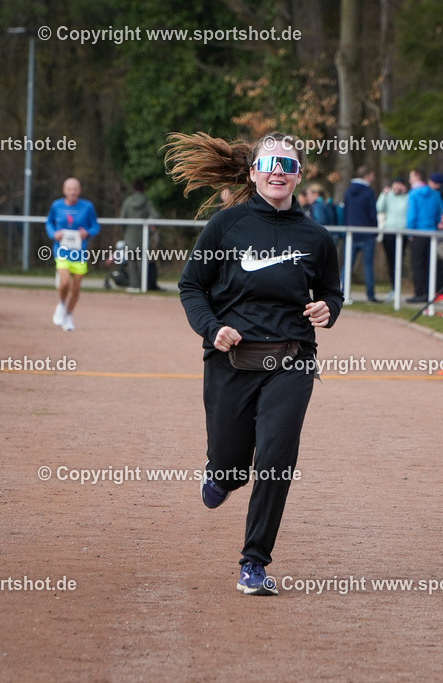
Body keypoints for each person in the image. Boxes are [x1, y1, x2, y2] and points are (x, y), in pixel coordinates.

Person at [166, 130, 343, 596]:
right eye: (270, 164)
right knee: (231, 466)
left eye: (288, 165)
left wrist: (328, 309)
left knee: (276, 459)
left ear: (299, 176)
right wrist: (212, 328)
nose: (278, 172)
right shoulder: (226, 226)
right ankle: (222, 473)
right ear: (253, 173)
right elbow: (191, 286)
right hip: (231, 360)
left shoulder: (317, 237)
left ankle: (254, 563)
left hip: (292, 360)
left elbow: (331, 292)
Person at [47, 177, 100, 331]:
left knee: (76, 288)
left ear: (80, 190)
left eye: (75, 189)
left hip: (80, 253)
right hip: (62, 251)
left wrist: (87, 233)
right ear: (64, 191)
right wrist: (54, 234)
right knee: (64, 282)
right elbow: (49, 223)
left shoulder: (87, 206)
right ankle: (61, 304)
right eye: (70, 189)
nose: (73, 192)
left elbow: (96, 226)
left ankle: (69, 315)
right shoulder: (56, 206)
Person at [405, 169, 443, 303]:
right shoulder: (434, 193)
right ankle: (431, 291)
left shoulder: (413, 194)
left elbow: (411, 215)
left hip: (418, 233)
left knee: (417, 264)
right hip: (432, 233)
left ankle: (420, 293)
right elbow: (442, 212)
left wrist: (410, 232)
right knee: (430, 264)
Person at [343, 165, 379, 302]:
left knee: (347, 265)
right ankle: (370, 295)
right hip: (367, 233)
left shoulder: (348, 191)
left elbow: (345, 212)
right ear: (367, 176)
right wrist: (375, 230)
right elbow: (372, 213)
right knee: (368, 265)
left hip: (351, 233)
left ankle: (343, 292)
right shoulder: (369, 192)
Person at [119, 179, 161, 292]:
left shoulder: (128, 202)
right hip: (143, 237)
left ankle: (134, 285)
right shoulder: (146, 201)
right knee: (143, 262)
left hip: (130, 237)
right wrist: (152, 229)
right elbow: (156, 216)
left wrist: (125, 232)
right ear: (143, 189)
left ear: (133, 189)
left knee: (131, 262)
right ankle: (143, 285)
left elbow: (122, 220)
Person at [376, 177, 409, 301]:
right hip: (389, 232)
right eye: (396, 184)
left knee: (399, 260)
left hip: (402, 232)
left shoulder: (407, 197)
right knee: (391, 261)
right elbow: (379, 208)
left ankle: (398, 287)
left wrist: (405, 194)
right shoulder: (388, 195)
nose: (397, 187)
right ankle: (393, 288)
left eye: (400, 185)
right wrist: (383, 195)